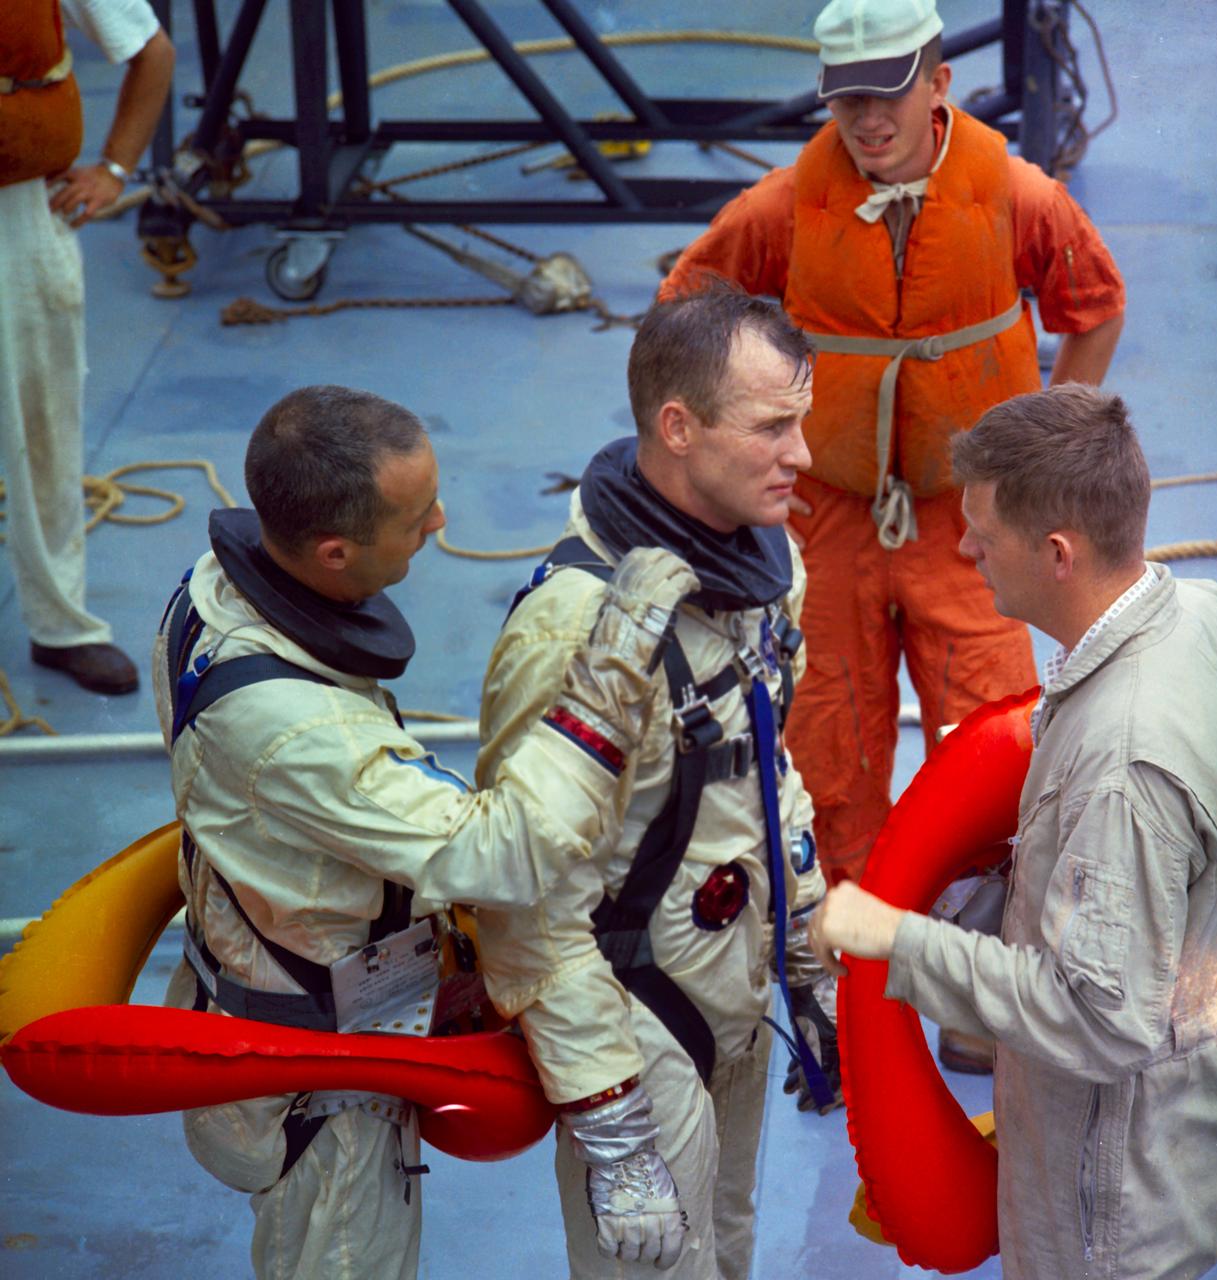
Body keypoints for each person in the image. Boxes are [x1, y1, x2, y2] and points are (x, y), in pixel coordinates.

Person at [154, 385, 699, 1280]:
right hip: (320, 1093)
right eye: (417, 518)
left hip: (290, 979)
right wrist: (606, 677)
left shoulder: (209, 592)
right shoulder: (294, 733)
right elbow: (506, 855)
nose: (443, 520)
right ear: (334, 552)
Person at [660, 0, 1127, 891]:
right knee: (825, 751)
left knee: (996, 748)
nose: (869, 120)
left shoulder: (1018, 195)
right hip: (825, 521)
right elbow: (685, 314)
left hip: (972, 526)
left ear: (939, 85)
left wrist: (1042, 461)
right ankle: (846, 973)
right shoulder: (786, 206)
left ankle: (980, 989)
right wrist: (741, 469)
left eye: (889, 95)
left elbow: (1094, 306)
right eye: (847, 101)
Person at [810, 383, 1217, 1280]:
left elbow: (1100, 1019)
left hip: (1108, 1212)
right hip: (1180, 1129)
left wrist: (897, 941)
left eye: (983, 529)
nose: (963, 545)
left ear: (1057, 552)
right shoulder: (1202, 614)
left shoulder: (1122, 767)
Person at [474, 282, 838, 1278]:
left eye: (800, 422)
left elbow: (767, 762)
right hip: (631, 1010)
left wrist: (805, 952)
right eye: (772, 426)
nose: (801, 456)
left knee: (725, 1248)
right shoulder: (574, 629)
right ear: (678, 427)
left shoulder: (768, 570)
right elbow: (519, 890)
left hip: (736, 976)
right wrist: (609, 1118)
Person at [0, 0, 173, 694]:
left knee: (43, 420)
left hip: (21, 212)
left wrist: (114, 167)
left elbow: (151, 52)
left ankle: (60, 625)